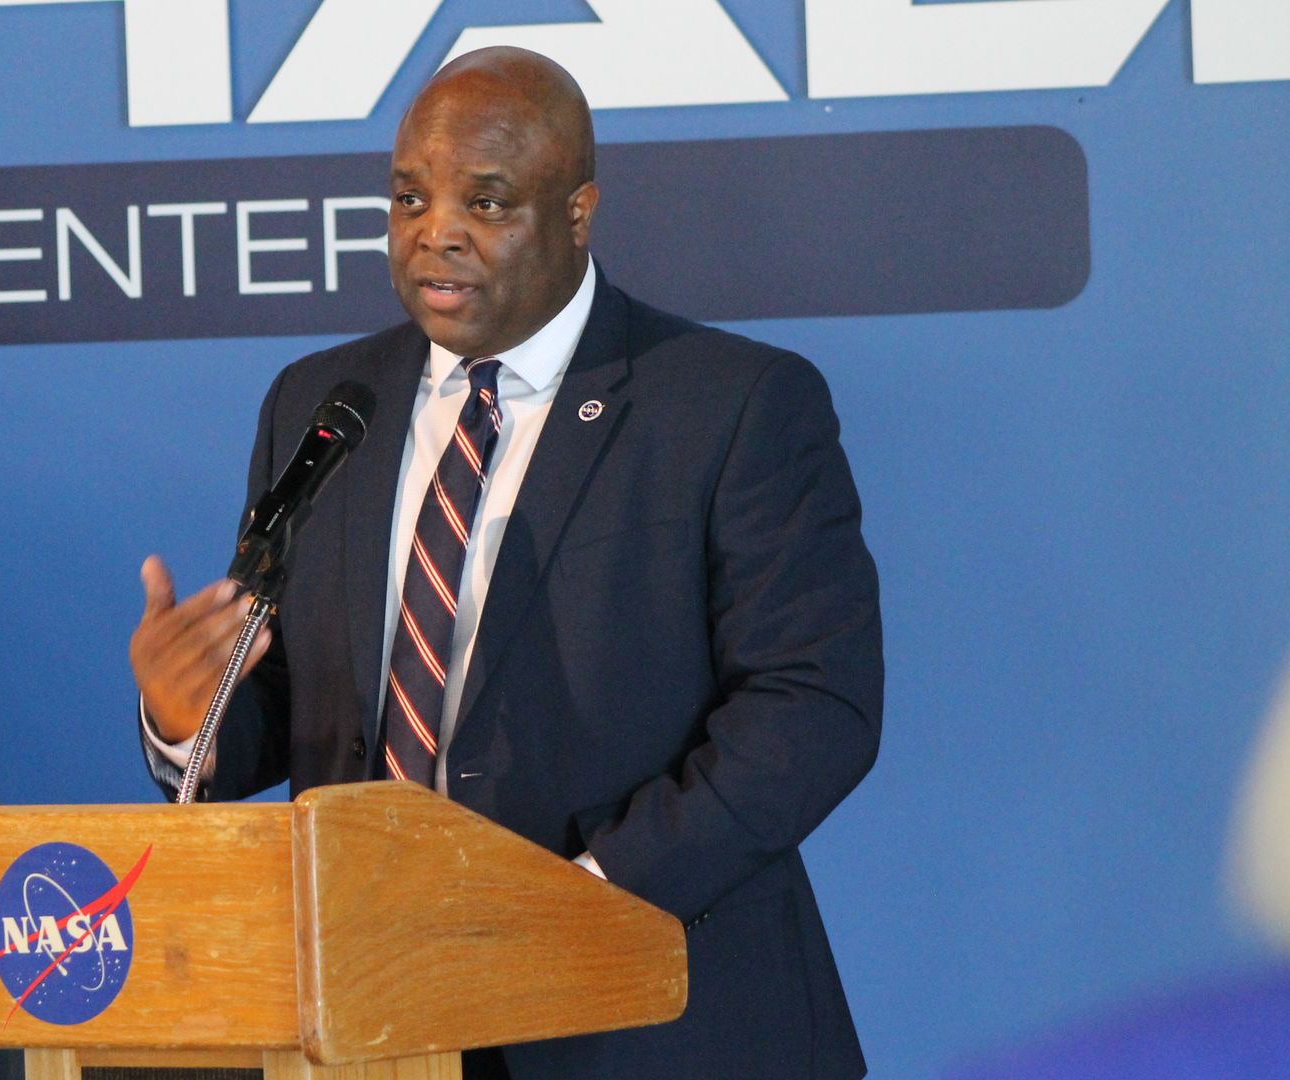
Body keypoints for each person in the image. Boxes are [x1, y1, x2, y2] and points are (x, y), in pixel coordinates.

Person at [130, 46, 881, 1080]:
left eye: (486, 203)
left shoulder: (729, 405)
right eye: (408, 199)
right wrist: (191, 722)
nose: (436, 232)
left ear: (577, 213)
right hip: (377, 1016)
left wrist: (581, 893)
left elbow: (811, 708)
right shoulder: (323, 404)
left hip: (648, 1012)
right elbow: (306, 703)